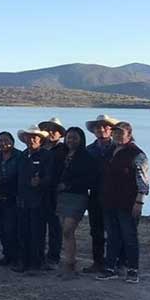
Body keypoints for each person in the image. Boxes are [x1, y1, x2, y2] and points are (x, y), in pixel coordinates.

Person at [97, 122, 149, 284]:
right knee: (112, 236)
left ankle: (133, 270)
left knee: (129, 236)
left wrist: (139, 202)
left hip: (127, 202)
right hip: (109, 201)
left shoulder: (137, 154)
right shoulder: (110, 151)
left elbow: (143, 181)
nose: (117, 135)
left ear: (129, 134)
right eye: (115, 132)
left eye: (121, 133)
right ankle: (110, 268)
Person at [55, 127, 97, 278]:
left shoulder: (87, 157)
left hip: (77, 197)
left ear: (81, 139)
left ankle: (70, 264)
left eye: (74, 138)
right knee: (66, 233)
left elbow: (89, 179)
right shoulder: (62, 154)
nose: (71, 140)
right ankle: (69, 263)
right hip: (62, 197)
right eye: (69, 138)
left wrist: (68, 185)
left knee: (68, 229)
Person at [15, 125, 54, 274]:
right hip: (23, 200)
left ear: (41, 139)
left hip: (39, 201)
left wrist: (41, 182)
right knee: (23, 231)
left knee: (37, 233)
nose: (31, 139)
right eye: (28, 136)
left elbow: (50, 177)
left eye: (34, 137)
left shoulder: (46, 155)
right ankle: (24, 262)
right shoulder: (23, 155)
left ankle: (36, 264)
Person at [83, 114, 117, 273]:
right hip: (95, 195)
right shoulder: (88, 150)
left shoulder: (118, 148)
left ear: (111, 130)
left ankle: (114, 262)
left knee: (114, 230)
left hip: (114, 196)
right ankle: (98, 262)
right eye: (98, 127)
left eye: (105, 126)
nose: (101, 129)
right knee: (95, 230)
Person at [39, 117, 67, 266]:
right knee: (39, 224)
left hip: (56, 192)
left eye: (54, 130)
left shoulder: (64, 149)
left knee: (55, 226)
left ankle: (53, 256)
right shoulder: (39, 148)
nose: (50, 132)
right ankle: (39, 254)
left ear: (60, 134)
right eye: (47, 129)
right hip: (39, 191)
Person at [0, 132, 20, 267]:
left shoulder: (19, 156)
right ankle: (7, 255)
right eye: (0, 141)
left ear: (12, 142)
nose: (3, 143)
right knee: (1, 228)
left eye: (6, 140)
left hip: (13, 197)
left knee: (12, 228)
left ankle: (15, 256)